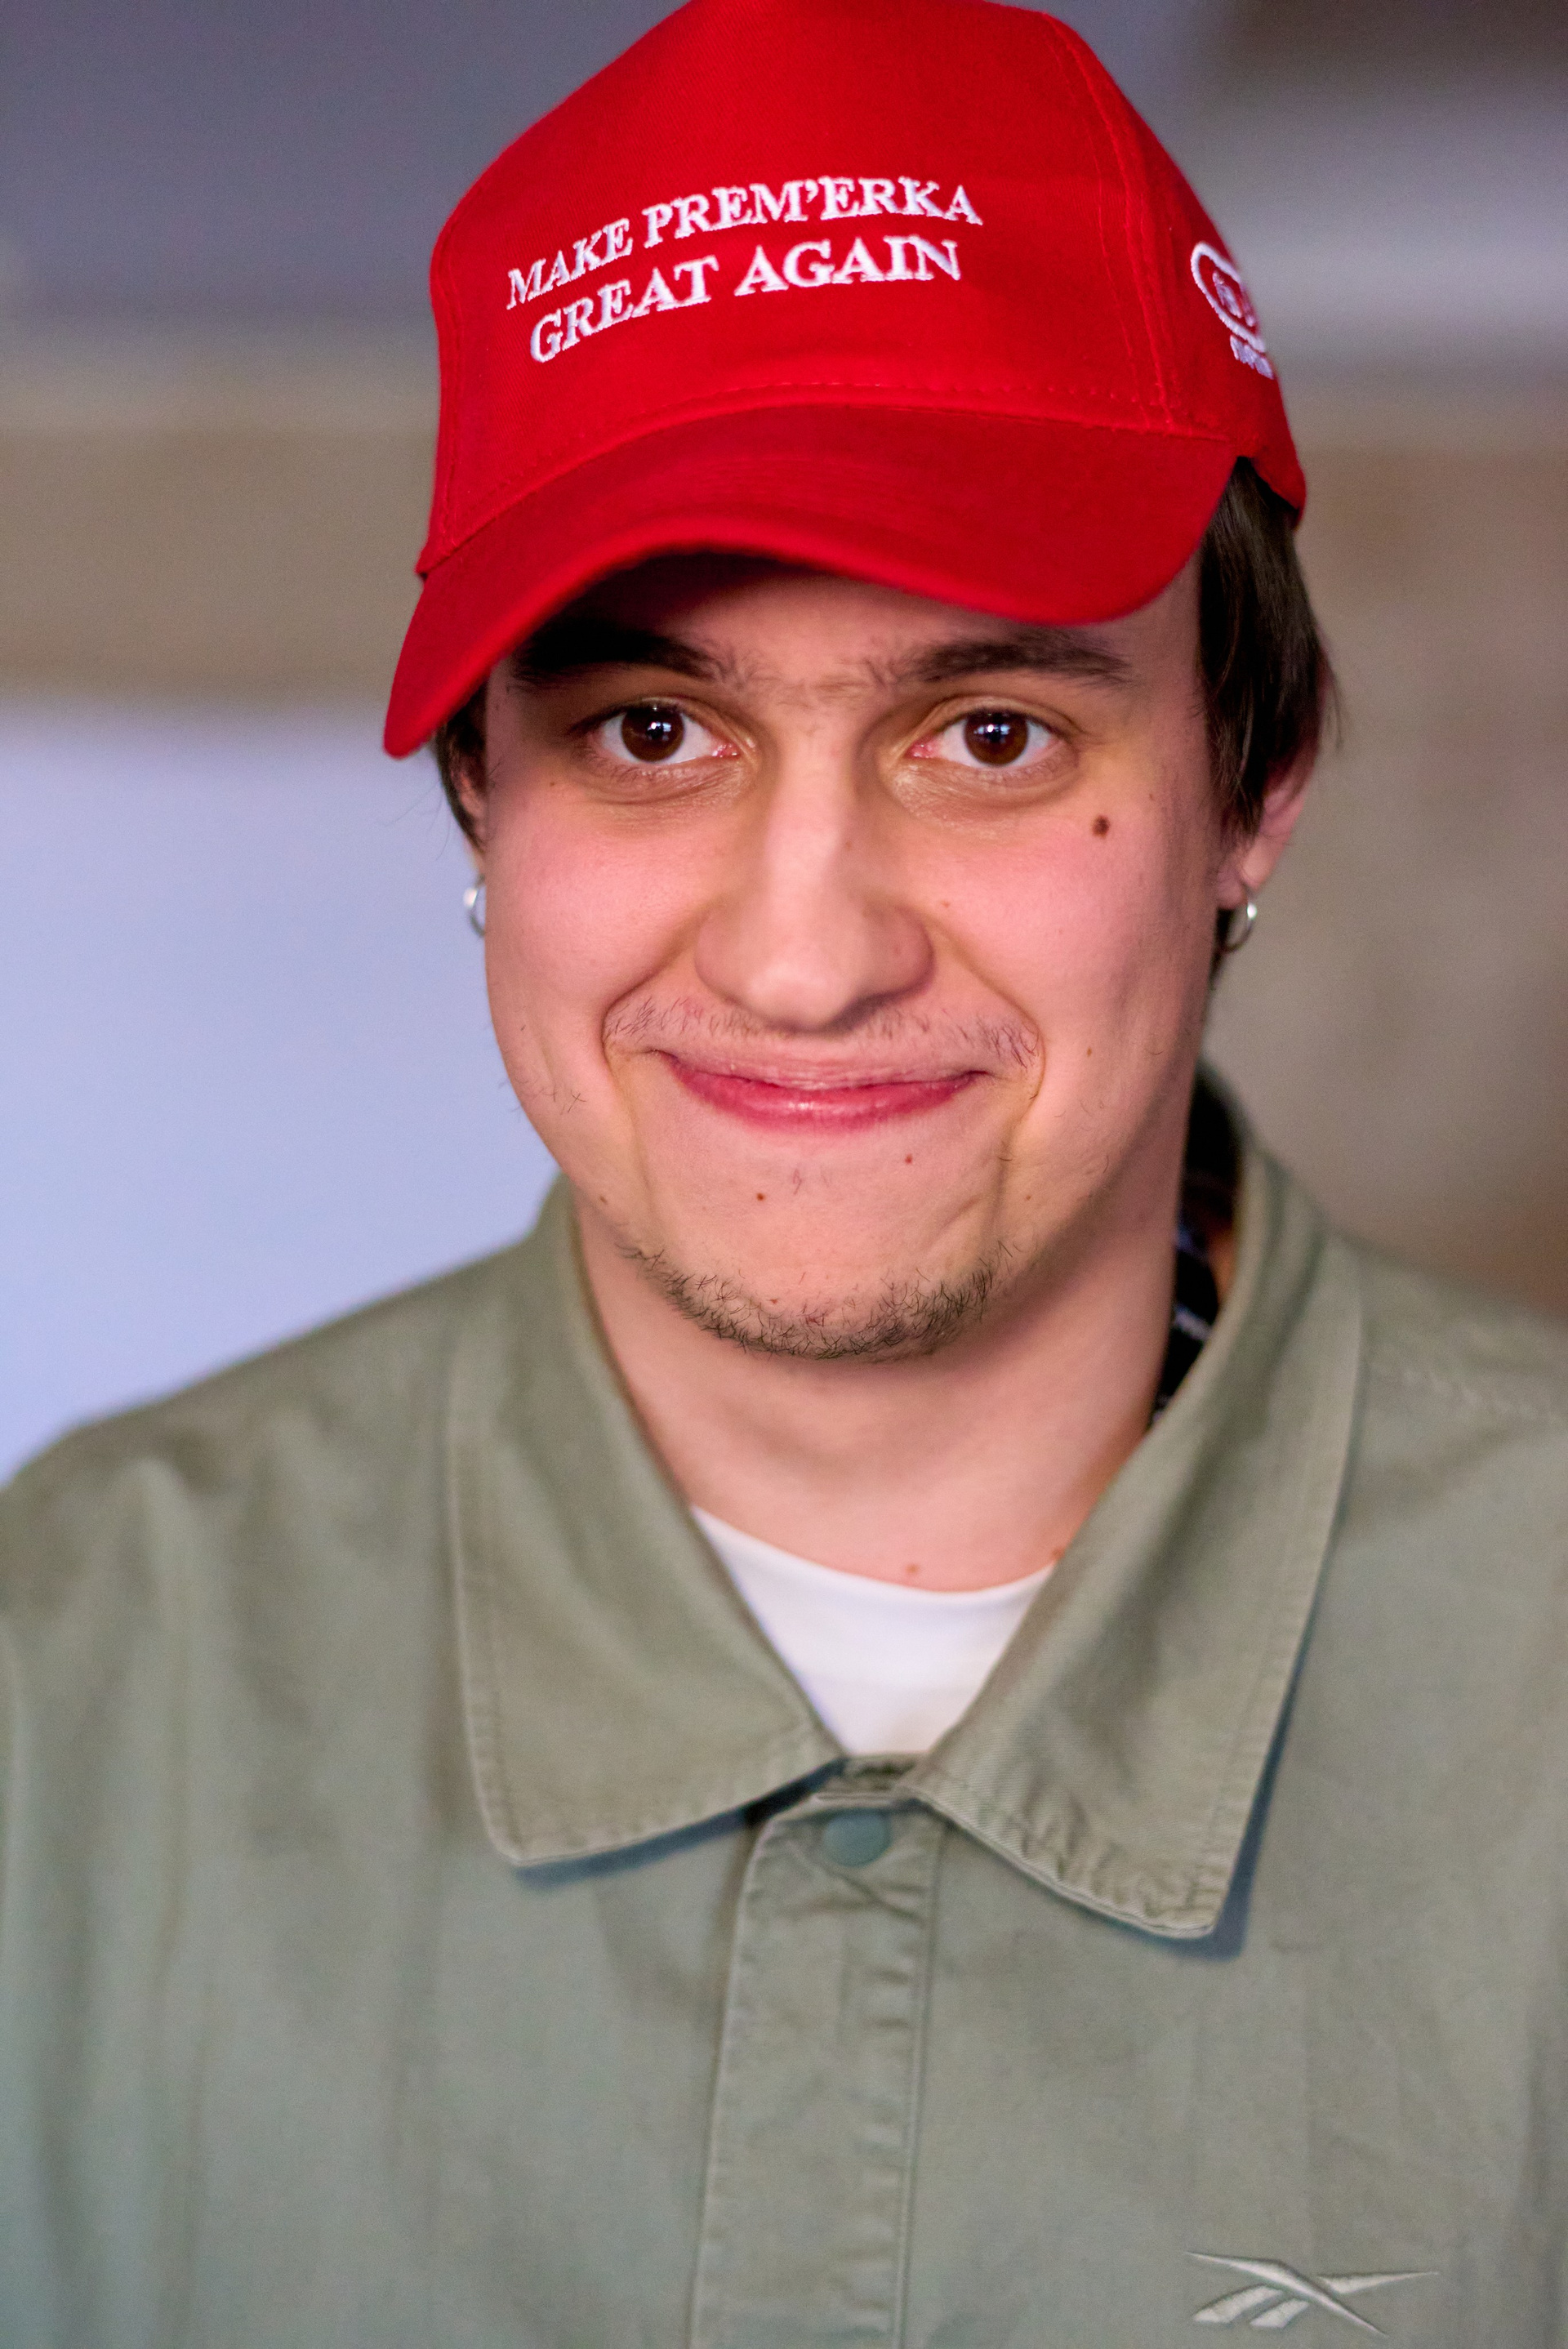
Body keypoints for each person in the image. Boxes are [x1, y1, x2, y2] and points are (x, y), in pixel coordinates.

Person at [4, 0, 1566, 2339]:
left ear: (1255, 789)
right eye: (653, 729)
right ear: (481, 802)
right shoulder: (67, 1686)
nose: (806, 955)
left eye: (991, 734)